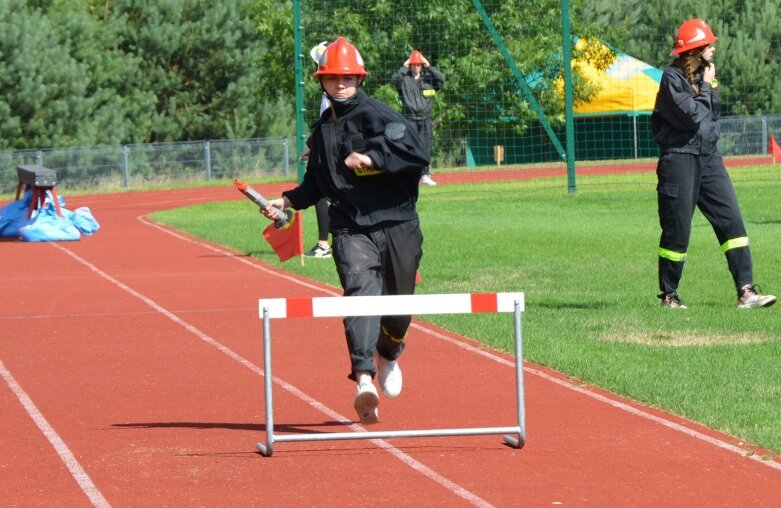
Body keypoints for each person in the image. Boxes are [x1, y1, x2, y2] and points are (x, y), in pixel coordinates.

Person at [261, 37, 430, 424]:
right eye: (333, 78)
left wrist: (372, 156)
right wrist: (285, 202)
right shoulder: (322, 132)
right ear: (322, 81)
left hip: (398, 222)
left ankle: (388, 353)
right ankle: (364, 379)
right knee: (360, 292)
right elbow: (318, 183)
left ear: (359, 79)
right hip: (351, 227)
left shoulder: (378, 115)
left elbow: (417, 153)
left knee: (399, 306)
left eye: (348, 78)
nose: (340, 85)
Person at [651, 18, 776, 309]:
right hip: (679, 158)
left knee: (732, 220)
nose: (713, 49)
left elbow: (712, 116)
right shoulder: (672, 80)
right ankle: (670, 296)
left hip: (709, 158)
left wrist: (707, 85)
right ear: (694, 50)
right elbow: (692, 116)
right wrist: (706, 87)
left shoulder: (705, 76)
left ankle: (746, 292)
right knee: (678, 229)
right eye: (709, 45)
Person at [391, 49, 445, 186]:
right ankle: (410, 174)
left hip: (426, 119)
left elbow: (441, 79)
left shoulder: (429, 80)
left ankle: (425, 175)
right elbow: (395, 79)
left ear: (421, 65)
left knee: (426, 147)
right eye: (413, 65)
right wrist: (404, 65)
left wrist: (429, 66)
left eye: (418, 64)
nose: (416, 67)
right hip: (409, 119)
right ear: (410, 65)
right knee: (409, 147)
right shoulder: (404, 81)